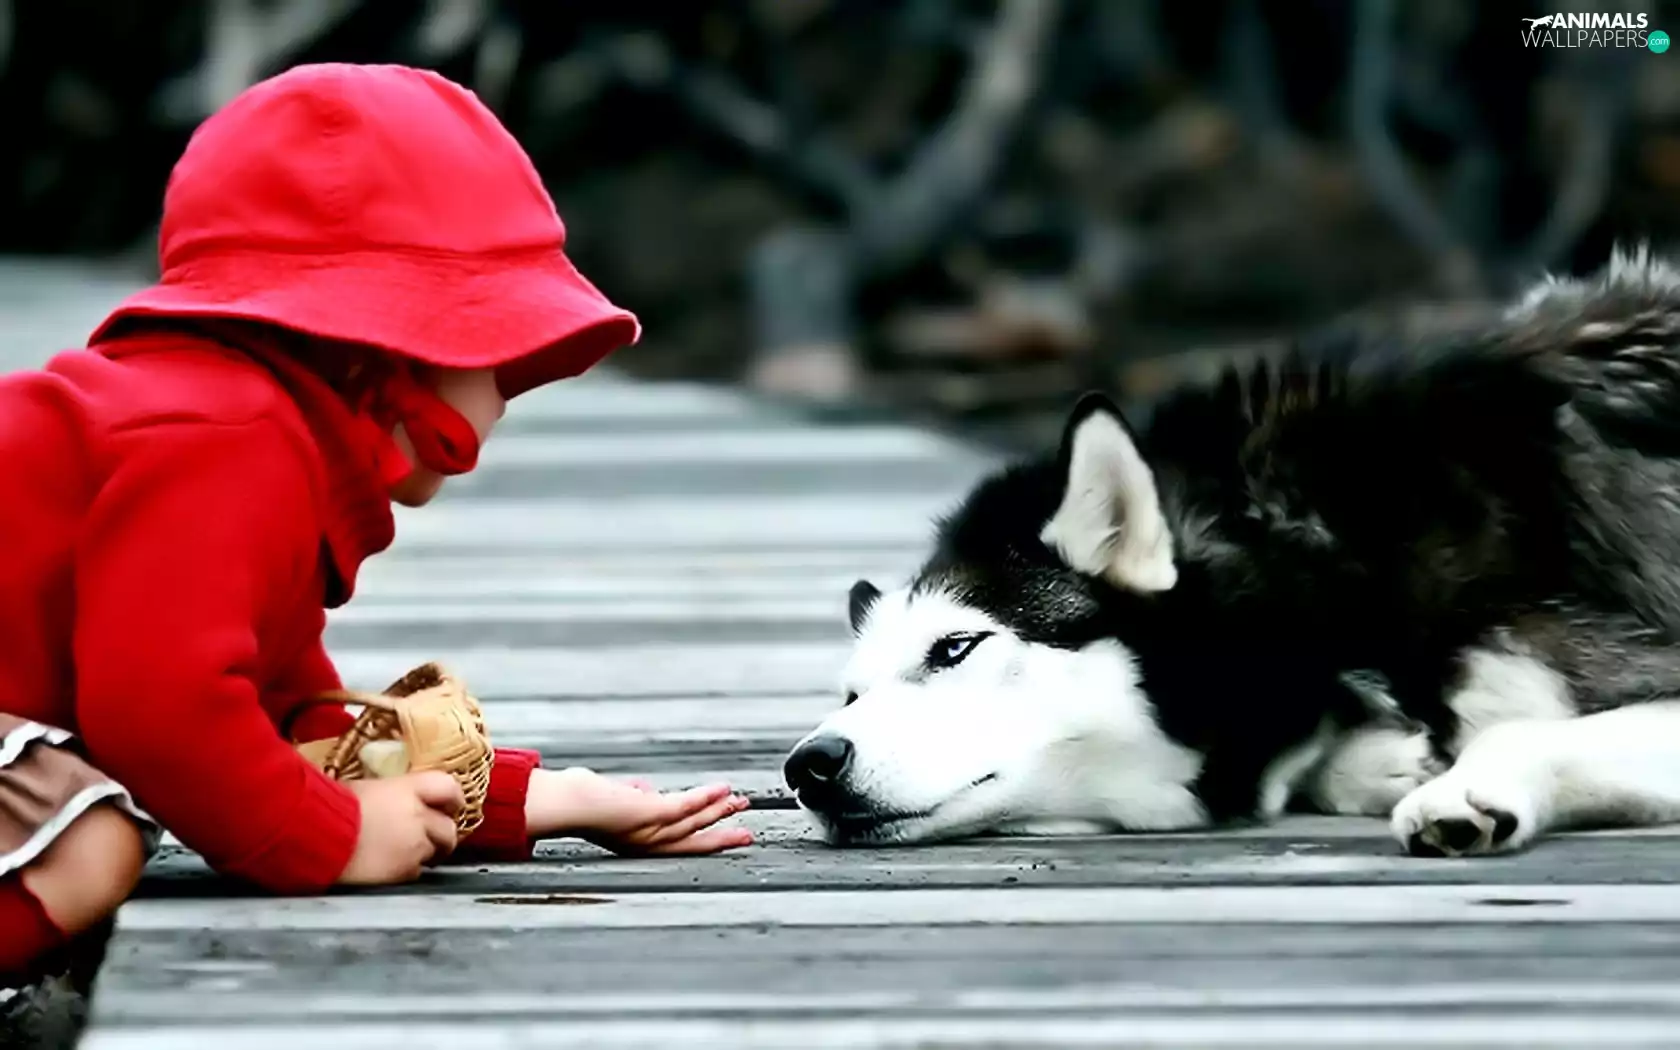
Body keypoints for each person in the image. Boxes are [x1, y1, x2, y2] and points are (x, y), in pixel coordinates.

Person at [0, 62, 754, 990]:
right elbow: (160, 707)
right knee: (88, 844)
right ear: (394, 356)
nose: (512, 397)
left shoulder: (239, 437)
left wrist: (543, 800)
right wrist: (334, 839)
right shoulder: (227, 439)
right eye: (507, 359)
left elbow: (284, 725)